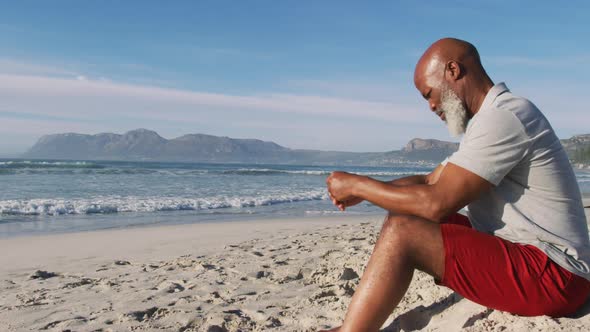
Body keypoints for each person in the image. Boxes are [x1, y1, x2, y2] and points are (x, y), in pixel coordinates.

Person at [323, 38, 590, 332]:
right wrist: (365, 192)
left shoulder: (504, 116)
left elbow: (436, 203)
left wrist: (358, 185)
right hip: (536, 261)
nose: (431, 106)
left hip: (558, 276)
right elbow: (429, 181)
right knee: (404, 214)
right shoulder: (487, 119)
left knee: (404, 232)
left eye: (429, 94)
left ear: (452, 70)